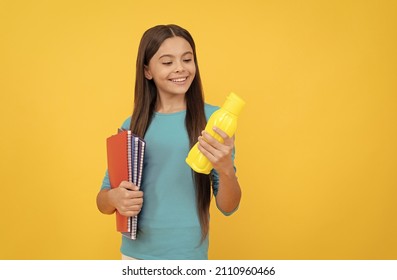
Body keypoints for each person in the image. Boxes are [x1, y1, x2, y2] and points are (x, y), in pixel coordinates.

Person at [96, 24, 242, 260]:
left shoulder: (214, 120)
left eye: (187, 59)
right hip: (135, 257)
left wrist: (226, 170)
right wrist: (115, 198)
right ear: (147, 71)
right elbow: (103, 200)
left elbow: (228, 206)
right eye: (167, 62)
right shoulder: (133, 124)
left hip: (188, 257)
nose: (180, 69)